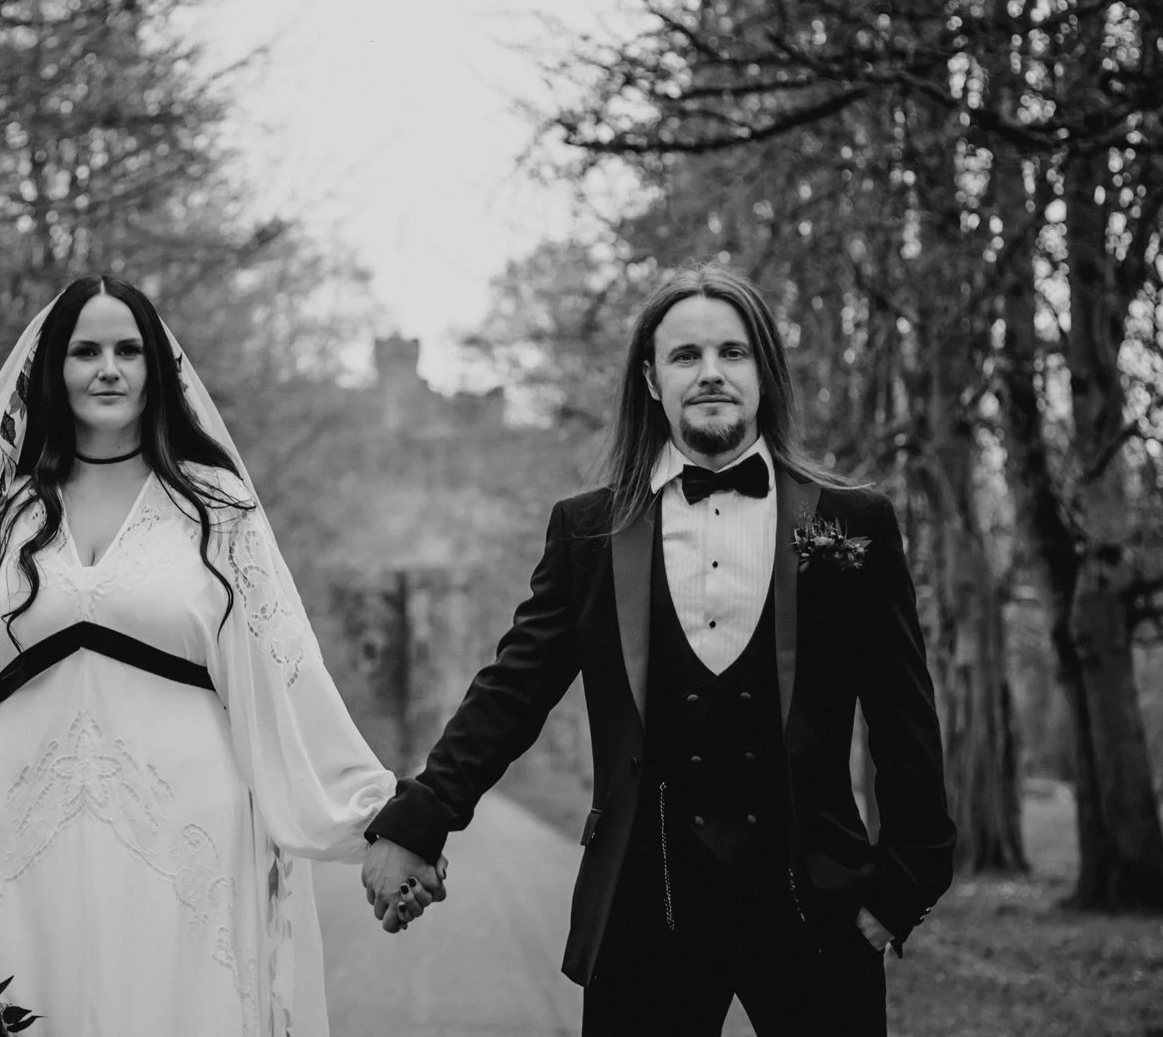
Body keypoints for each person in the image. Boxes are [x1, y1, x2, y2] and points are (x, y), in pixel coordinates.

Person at [360, 263, 955, 1036]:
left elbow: (905, 720)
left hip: (818, 906)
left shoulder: (854, 522)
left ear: (765, 371)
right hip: (645, 907)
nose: (710, 372)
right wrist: (418, 820)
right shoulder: (588, 531)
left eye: (732, 353)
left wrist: (903, 885)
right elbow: (513, 691)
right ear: (651, 377)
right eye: (685, 355)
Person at [0, 275, 419, 1037]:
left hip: (189, 851)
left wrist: (393, 819)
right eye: (85, 351)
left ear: (154, 370)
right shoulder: (0, 522)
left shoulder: (216, 512)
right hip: (23, 852)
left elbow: (286, 674)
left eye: (127, 350)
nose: (108, 368)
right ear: (54, 370)